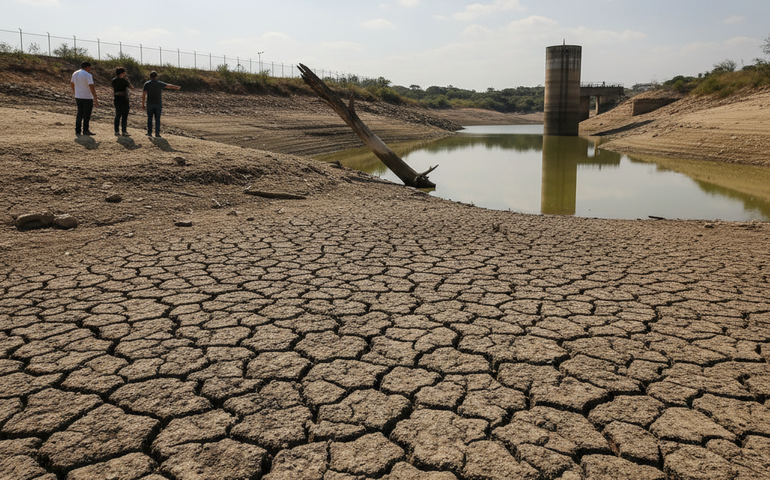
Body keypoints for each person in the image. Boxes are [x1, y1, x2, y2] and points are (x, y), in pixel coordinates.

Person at [141, 71, 181, 137]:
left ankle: (149, 132)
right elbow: (168, 86)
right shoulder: (159, 83)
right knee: (157, 119)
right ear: (156, 76)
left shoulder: (147, 84)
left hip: (150, 103)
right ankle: (157, 133)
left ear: (150, 76)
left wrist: (143, 104)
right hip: (158, 103)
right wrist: (176, 87)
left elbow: (143, 95)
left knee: (149, 118)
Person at [70, 61, 98, 136]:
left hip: (78, 96)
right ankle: (85, 130)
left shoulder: (75, 73)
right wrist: (95, 97)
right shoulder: (88, 75)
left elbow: (72, 84)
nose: (90, 69)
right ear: (87, 67)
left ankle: (78, 130)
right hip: (87, 97)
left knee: (79, 113)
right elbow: (91, 86)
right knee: (87, 114)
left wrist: (75, 91)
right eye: (90, 67)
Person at [112, 67, 135, 136]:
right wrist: (127, 80)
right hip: (124, 99)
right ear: (122, 73)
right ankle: (124, 131)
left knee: (118, 115)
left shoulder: (114, 80)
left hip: (117, 98)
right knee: (124, 115)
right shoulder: (124, 81)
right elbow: (132, 87)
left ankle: (116, 131)